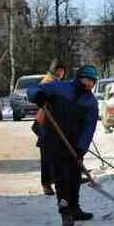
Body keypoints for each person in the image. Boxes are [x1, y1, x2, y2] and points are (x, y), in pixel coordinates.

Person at [28, 65, 99, 226]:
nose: (89, 84)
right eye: (86, 80)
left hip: (74, 144)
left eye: (92, 82)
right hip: (53, 140)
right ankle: (65, 211)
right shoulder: (60, 87)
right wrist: (37, 95)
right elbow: (33, 90)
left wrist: (82, 148)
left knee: (74, 177)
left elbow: (89, 127)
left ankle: (75, 208)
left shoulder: (90, 102)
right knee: (61, 178)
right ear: (79, 77)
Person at [32, 60, 67, 196]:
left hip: (56, 121)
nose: (60, 72)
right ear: (53, 70)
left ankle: (66, 178)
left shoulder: (59, 82)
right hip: (46, 122)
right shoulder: (47, 82)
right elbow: (41, 98)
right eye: (57, 70)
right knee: (47, 154)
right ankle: (46, 184)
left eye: (62, 70)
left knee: (60, 152)